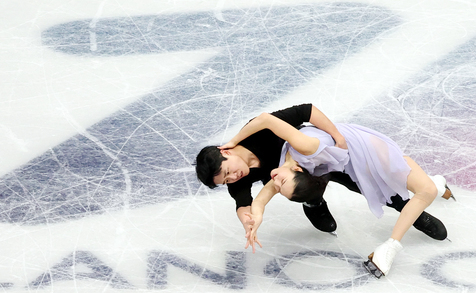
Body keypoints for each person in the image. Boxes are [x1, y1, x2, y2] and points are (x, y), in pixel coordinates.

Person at [240, 114, 453, 278]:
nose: (273, 180)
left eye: (280, 182)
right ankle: (434, 182)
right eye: (279, 186)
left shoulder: (304, 147)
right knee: (420, 187)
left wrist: (232, 142)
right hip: (348, 159)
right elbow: (262, 197)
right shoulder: (287, 170)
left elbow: (266, 119)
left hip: (369, 149)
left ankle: (391, 246)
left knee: (425, 190)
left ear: (298, 170)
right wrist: (257, 216)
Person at [193, 104, 446, 241]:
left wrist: (337, 137)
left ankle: (410, 211)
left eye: (228, 172)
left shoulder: (255, 132)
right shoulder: (236, 179)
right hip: (295, 174)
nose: (232, 178)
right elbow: (243, 202)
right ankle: (315, 204)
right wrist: (248, 221)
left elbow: (307, 111)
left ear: (225, 151)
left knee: (363, 183)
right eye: (225, 180)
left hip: (318, 153)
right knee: (302, 190)